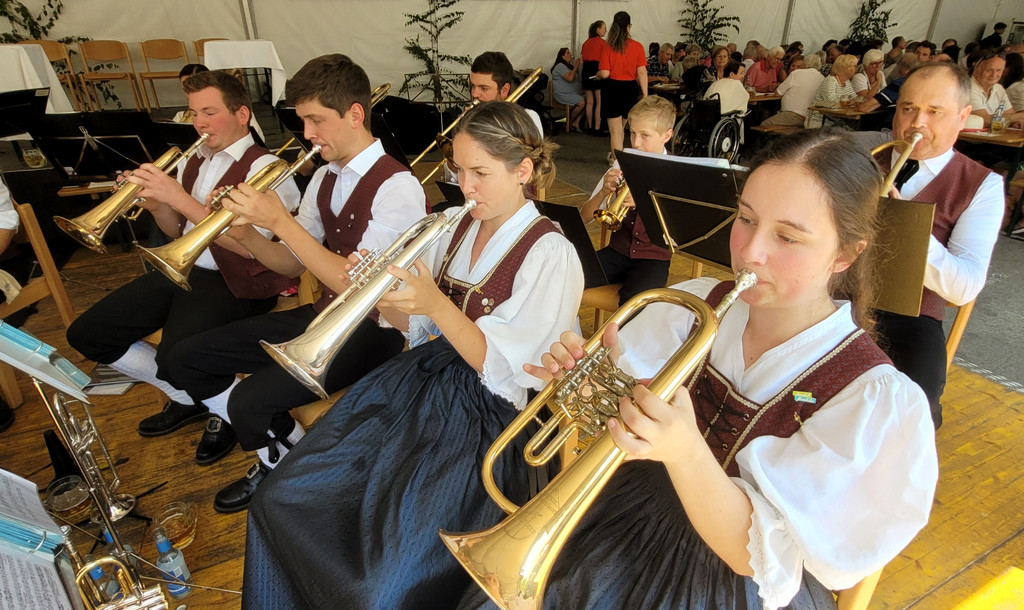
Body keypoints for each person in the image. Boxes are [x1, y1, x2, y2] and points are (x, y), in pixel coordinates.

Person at [460, 129, 938, 610]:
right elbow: (623, 434)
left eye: (788, 236)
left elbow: (753, 560)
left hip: (730, 587)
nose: (751, 252)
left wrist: (685, 452)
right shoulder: (696, 305)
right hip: (629, 517)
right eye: (746, 219)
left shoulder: (875, 399)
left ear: (845, 253)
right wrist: (590, 393)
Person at [241, 101, 584, 608]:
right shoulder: (452, 225)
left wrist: (435, 304)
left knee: (379, 583)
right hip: (418, 383)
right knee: (279, 501)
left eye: (481, 173)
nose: (465, 187)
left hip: (490, 418)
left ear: (524, 171)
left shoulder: (551, 252)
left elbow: (505, 371)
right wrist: (381, 294)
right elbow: (415, 329)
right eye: (459, 170)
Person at [162, 54, 427, 513]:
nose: (307, 134)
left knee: (249, 402)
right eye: (303, 120)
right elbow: (287, 265)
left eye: (315, 120)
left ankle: (278, 461)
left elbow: (360, 286)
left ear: (355, 114)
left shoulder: (398, 187)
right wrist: (245, 233)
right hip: (323, 317)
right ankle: (288, 445)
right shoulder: (325, 175)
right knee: (184, 358)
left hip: (374, 331)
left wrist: (281, 221)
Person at [65, 70, 301, 464]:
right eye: (194, 113)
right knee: (88, 334)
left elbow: (251, 252)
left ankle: (244, 423)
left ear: (242, 114)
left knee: (177, 358)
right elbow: (177, 230)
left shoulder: (268, 169)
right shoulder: (195, 161)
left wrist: (178, 194)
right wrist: (158, 204)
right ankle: (198, 401)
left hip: (238, 283)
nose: (200, 124)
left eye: (210, 112)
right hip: (184, 270)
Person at [875, 63, 1003, 428]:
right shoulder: (866, 159)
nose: (917, 123)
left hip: (908, 320)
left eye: (935, 112)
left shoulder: (981, 185)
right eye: (908, 108)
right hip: (834, 300)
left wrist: (903, 225)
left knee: (912, 412)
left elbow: (964, 287)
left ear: (963, 118)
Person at [579, 95, 674, 306]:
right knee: (567, 277)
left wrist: (646, 203)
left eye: (645, 135)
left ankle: (615, 340)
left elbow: (680, 232)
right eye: (632, 133)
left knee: (635, 304)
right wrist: (604, 192)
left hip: (653, 259)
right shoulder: (620, 166)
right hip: (617, 252)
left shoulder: (676, 174)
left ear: (666, 135)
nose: (636, 143)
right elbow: (583, 217)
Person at [442, 51, 545, 184]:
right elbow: (453, 181)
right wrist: (454, 158)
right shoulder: (471, 118)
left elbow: (531, 174)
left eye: (484, 88)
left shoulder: (527, 118)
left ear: (504, 90)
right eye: (473, 86)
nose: (475, 94)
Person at [596, 11, 647, 156]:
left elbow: (605, 73)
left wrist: (598, 75)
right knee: (624, 128)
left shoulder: (608, 46)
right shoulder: (638, 46)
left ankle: (617, 163)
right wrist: (645, 94)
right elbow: (642, 72)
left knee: (615, 132)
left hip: (612, 88)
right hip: (630, 89)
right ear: (629, 27)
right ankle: (624, 160)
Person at [761, 53, 824, 127]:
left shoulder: (796, 73)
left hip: (794, 115)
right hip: (811, 119)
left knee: (764, 125)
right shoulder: (822, 78)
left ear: (804, 63)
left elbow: (778, 92)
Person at [968, 52, 1024, 127]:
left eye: (998, 70)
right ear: (976, 70)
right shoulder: (968, 88)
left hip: (992, 137)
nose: (994, 75)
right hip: (968, 138)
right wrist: (1020, 115)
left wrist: (1015, 122)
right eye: (989, 70)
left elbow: (1010, 116)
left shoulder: (998, 88)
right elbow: (985, 121)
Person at [805, 54, 859, 128]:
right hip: (820, 122)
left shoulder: (847, 82)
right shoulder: (830, 81)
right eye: (855, 66)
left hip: (835, 122)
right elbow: (831, 102)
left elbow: (855, 98)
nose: (857, 68)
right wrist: (850, 102)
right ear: (846, 68)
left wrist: (854, 101)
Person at [580, 20, 608, 135]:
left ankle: (590, 127)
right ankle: (597, 128)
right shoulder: (603, 43)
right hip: (597, 70)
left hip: (586, 70)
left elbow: (581, 61)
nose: (605, 30)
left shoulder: (586, 43)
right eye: (604, 28)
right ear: (598, 29)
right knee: (599, 102)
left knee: (590, 102)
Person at [550, 47, 585, 132]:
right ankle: (569, 122)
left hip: (572, 93)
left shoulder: (569, 67)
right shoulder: (559, 66)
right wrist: (576, 66)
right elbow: (570, 78)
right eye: (568, 53)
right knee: (582, 103)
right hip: (563, 94)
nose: (570, 55)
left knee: (590, 100)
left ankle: (576, 122)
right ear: (562, 56)